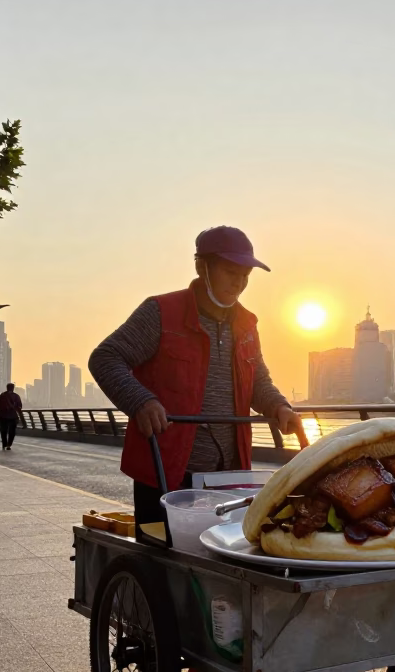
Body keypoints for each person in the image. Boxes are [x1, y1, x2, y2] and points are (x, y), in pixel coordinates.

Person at [89, 225, 303, 525]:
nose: (239, 282)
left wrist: (279, 406)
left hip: (228, 477)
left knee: (224, 547)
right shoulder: (161, 312)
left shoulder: (247, 325)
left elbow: (258, 381)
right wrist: (140, 402)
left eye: (246, 275)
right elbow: (105, 357)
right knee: (161, 548)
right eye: (231, 271)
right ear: (202, 267)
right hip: (167, 471)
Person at [0, 382, 22, 450]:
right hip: (12, 416)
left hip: (2, 416)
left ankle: (4, 444)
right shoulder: (16, 396)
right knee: (12, 431)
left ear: (7, 388)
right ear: (13, 388)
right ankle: (9, 445)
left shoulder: (2, 395)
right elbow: (19, 406)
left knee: (3, 430)